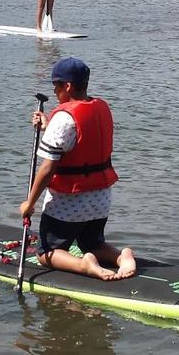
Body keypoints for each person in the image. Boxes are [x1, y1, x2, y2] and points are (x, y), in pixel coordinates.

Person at [19, 57, 136, 281]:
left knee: (45, 253)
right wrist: (48, 125)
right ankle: (121, 257)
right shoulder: (99, 106)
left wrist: (29, 203)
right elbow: (78, 139)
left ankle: (85, 265)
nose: (54, 91)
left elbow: (48, 168)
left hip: (70, 201)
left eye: (56, 85)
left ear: (68, 86)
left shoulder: (63, 118)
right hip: (101, 198)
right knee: (92, 243)